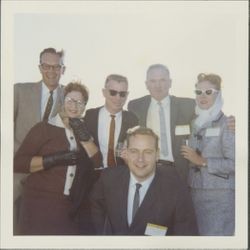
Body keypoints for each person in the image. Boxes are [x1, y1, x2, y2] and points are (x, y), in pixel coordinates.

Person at [14, 81, 100, 235]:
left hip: (69, 207)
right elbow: (18, 163)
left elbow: (97, 163)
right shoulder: (43, 128)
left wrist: (86, 139)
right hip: (38, 204)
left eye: (80, 102)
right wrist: (52, 159)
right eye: (70, 100)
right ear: (62, 101)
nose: (74, 106)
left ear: (85, 106)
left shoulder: (84, 131)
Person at [128, 64, 235, 183]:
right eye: (153, 81)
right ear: (146, 84)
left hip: (179, 173)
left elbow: (210, 113)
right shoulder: (135, 106)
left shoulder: (187, 105)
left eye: (162, 80)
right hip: (147, 171)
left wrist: (232, 123)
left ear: (170, 83)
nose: (158, 85)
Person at [90, 127, 198, 235]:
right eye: (134, 151)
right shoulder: (108, 179)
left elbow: (186, 235)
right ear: (126, 153)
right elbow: (94, 213)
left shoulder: (176, 189)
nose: (140, 159)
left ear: (157, 154)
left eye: (148, 152)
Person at [14, 48, 66, 230]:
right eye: (46, 66)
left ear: (63, 69)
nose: (51, 71)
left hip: (50, 174)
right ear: (39, 67)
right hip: (16, 169)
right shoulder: (20, 90)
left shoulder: (70, 98)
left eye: (56, 67)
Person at [180, 73, 235, 236]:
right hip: (194, 194)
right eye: (198, 92)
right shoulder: (193, 122)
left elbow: (235, 164)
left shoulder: (228, 124)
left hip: (219, 198)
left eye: (208, 92)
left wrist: (203, 161)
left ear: (218, 94)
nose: (202, 96)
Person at [84, 74, 138, 169]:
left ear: (127, 95)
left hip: (120, 176)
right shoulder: (90, 116)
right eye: (113, 92)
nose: (118, 98)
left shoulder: (132, 120)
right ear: (104, 92)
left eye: (122, 94)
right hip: (92, 176)